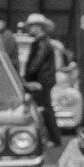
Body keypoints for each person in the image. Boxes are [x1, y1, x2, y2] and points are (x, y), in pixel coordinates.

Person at [17, 13, 64, 142]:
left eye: (32, 26)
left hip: (41, 82)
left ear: (39, 27)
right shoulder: (42, 43)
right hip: (42, 81)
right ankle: (52, 137)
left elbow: (36, 62)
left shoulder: (42, 43)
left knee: (45, 110)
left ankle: (54, 137)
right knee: (44, 109)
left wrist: (27, 76)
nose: (30, 29)